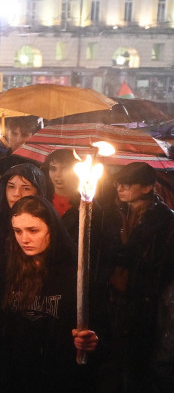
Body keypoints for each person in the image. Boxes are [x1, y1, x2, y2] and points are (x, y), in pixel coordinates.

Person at [0, 196, 98, 392]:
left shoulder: (75, 272)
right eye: (18, 231)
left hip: (57, 375)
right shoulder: (3, 268)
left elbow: (96, 325)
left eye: (33, 230)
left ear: (51, 228)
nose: (24, 239)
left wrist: (89, 340)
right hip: (10, 373)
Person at [100, 162, 174, 392]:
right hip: (113, 295)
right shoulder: (113, 212)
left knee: (139, 358)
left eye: (127, 184)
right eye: (118, 183)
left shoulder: (164, 220)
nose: (120, 188)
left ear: (146, 188)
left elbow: (163, 264)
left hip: (145, 300)